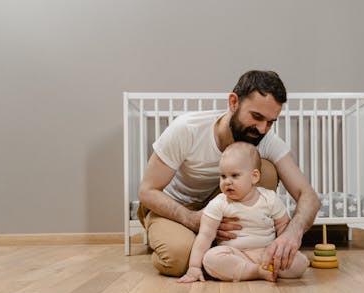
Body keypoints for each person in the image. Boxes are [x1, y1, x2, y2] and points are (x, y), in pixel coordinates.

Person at [137, 70, 320, 277]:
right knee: (180, 259)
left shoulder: (267, 140)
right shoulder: (187, 129)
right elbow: (147, 191)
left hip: (222, 209)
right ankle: (178, 242)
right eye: (256, 117)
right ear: (233, 103)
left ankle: (232, 253)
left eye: (270, 122)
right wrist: (191, 219)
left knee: (265, 170)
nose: (262, 129)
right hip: (177, 208)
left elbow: (309, 196)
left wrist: (292, 234)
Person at [178, 142, 310, 282]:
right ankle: (255, 271)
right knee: (211, 258)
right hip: (236, 255)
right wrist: (194, 267)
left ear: (254, 176)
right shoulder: (219, 203)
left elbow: (283, 226)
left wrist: (282, 251)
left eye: (234, 175)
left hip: (267, 252)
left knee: (298, 263)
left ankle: (264, 268)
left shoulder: (269, 199)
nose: (227, 182)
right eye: (223, 176)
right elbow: (205, 236)